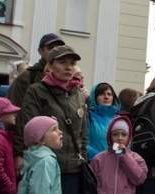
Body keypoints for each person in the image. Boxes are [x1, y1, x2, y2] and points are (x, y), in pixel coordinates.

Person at [14, 45, 87, 194]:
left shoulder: (78, 95)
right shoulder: (36, 91)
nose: (68, 67)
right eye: (62, 62)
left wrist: (82, 158)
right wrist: (19, 154)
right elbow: (29, 129)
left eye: (72, 64)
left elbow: (83, 134)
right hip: (47, 165)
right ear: (50, 65)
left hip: (74, 170)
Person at [90, 116, 148, 193]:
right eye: (115, 134)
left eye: (124, 134)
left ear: (129, 138)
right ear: (109, 137)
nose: (119, 138)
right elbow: (90, 184)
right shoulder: (98, 159)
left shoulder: (136, 158)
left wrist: (125, 156)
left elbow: (139, 179)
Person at [17, 116, 63, 194]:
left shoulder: (35, 156)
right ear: (41, 139)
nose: (60, 132)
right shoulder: (46, 161)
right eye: (54, 129)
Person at [87, 82, 121, 161]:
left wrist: (118, 156)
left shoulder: (119, 120)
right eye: (102, 94)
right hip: (95, 166)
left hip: (115, 166)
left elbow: (124, 144)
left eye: (109, 94)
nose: (106, 97)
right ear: (94, 97)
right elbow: (84, 143)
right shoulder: (88, 117)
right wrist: (101, 158)